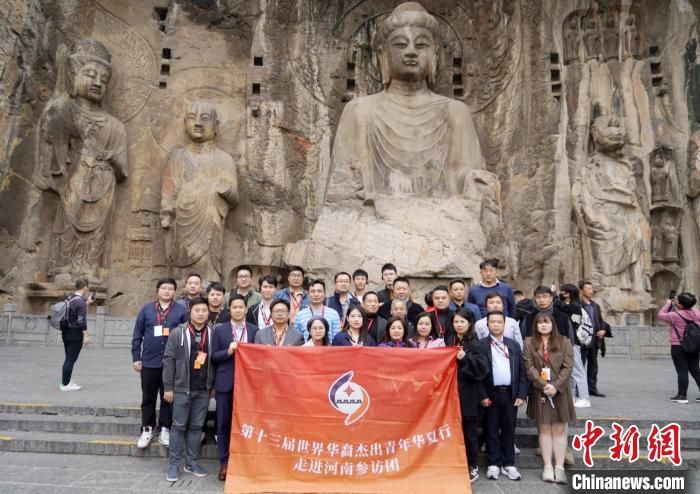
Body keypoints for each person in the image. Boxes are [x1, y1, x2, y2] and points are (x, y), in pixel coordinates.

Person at [160, 99, 239, 283]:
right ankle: (181, 286)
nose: (197, 123)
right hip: (182, 221)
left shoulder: (224, 159)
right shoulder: (177, 157)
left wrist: (226, 189)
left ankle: (209, 286)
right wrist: (166, 214)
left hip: (210, 221)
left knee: (208, 268)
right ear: (185, 123)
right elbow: (168, 191)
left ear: (215, 125)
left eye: (204, 118)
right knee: (180, 264)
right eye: (192, 118)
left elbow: (235, 197)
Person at [131, 277, 188, 449]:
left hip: (171, 363)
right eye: (163, 288)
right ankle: (147, 428)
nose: (167, 291)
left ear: (174, 292)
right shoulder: (147, 310)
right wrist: (136, 357)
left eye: (170, 288)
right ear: (157, 290)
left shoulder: (180, 310)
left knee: (168, 397)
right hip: (149, 361)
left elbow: (185, 334)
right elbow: (137, 334)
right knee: (148, 397)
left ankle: (165, 428)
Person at [162, 296, 213, 481]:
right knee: (178, 426)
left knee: (196, 426)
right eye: (197, 310)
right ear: (190, 312)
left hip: (202, 390)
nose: (200, 314)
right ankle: (174, 464)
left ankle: (191, 462)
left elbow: (213, 362)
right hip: (182, 388)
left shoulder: (212, 332)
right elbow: (168, 360)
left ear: (208, 313)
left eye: (204, 311)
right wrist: (168, 387)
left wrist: (211, 385)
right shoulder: (178, 332)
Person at [210, 294, 258, 481]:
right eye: (234, 307)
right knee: (223, 423)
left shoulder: (255, 330)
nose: (238, 310)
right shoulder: (220, 330)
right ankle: (224, 461)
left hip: (249, 385)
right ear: (229, 310)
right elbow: (213, 357)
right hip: (226, 383)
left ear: (246, 309)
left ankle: (244, 461)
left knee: (247, 423)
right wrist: (228, 351)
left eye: (241, 307)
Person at [523, 312, 576, 484]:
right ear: (536, 325)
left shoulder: (564, 341)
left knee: (560, 430)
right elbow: (529, 366)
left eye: (547, 322)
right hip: (541, 391)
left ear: (553, 324)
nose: (544, 325)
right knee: (544, 429)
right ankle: (547, 466)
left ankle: (559, 467)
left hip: (560, 391)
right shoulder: (529, 342)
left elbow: (568, 367)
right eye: (540, 323)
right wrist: (543, 385)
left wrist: (556, 386)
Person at [478, 311, 528, 481]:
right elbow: (478, 375)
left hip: (510, 395)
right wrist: (483, 395)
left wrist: (521, 394)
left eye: (499, 322)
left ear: (504, 324)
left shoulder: (513, 345)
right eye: (493, 322)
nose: (496, 325)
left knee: (508, 429)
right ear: (487, 325)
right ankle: (493, 463)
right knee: (490, 429)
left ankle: (509, 464)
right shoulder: (481, 345)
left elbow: (522, 372)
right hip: (490, 395)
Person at [523, 286, 590, 409]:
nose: (541, 300)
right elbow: (525, 337)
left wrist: (570, 349)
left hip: (564, 350)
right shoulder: (529, 318)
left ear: (551, 298)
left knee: (573, 371)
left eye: (545, 297)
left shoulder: (562, 316)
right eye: (538, 297)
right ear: (534, 299)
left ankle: (583, 397)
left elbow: (570, 335)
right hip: (539, 352)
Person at [447, 307, 489, 483]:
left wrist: (465, 359)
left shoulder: (475, 343)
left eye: (462, 322)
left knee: (469, 433)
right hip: (451, 394)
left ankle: (472, 466)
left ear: (469, 323)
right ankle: (455, 463)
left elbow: (482, 370)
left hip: (469, 394)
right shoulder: (449, 340)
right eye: (456, 321)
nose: (458, 325)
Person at [658, 292, 700, 404]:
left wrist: (668, 304)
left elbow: (661, 315)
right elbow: (690, 310)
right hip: (694, 346)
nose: (674, 300)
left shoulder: (675, 315)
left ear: (681, 305)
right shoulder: (696, 313)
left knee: (682, 371)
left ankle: (682, 396)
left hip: (678, 346)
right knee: (696, 371)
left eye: (676, 300)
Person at [59, 277, 94, 391]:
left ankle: (66, 381)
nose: (88, 288)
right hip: (75, 333)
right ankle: (65, 385)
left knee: (68, 358)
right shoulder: (80, 302)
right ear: (84, 287)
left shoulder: (70, 298)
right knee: (70, 359)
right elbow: (81, 320)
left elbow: (75, 311)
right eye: (87, 286)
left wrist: (87, 302)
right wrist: (86, 335)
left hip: (66, 331)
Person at [579, 281, 611, 397]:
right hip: (582, 341)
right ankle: (579, 389)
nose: (591, 291)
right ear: (582, 290)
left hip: (594, 340)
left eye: (591, 289)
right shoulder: (578, 305)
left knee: (593, 366)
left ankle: (592, 388)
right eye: (588, 289)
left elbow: (600, 321)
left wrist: (603, 330)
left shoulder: (595, 306)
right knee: (580, 366)